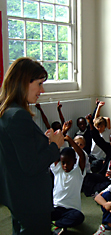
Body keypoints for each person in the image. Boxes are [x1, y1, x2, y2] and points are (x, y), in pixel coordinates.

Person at [0, 57, 64, 234]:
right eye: (39, 84)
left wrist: (41, 141)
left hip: (16, 194)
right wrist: (55, 145)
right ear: (23, 82)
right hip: (30, 198)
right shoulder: (19, 116)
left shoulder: (7, 111)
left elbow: (17, 152)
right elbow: (31, 165)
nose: (42, 90)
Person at [51, 135, 86, 234]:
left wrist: (70, 140)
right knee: (42, 211)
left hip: (71, 210)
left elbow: (81, 156)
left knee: (79, 217)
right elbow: (54, 153)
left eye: (68, 163)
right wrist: (61, 136)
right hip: (56, 207)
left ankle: (56, 224)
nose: (65, 165)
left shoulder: (78, 172)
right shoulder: (58, 170)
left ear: (75, 162)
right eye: (63, 163)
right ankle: (59, 225)